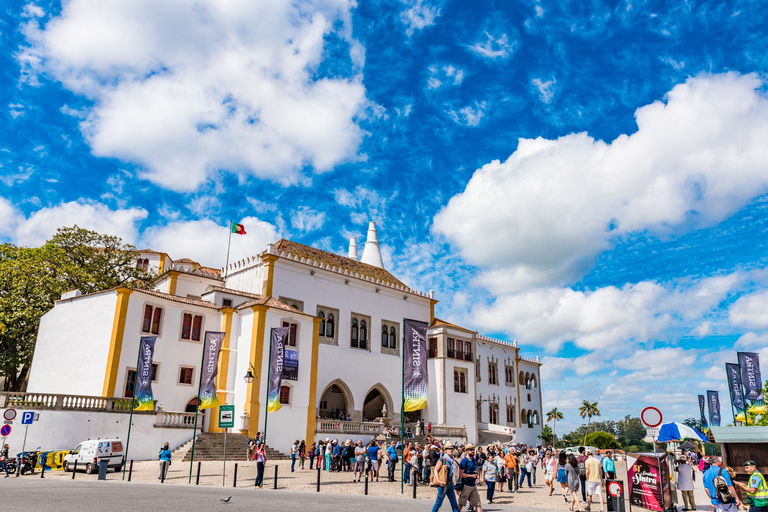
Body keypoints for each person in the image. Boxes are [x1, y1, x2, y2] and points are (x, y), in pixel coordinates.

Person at [432, 442, 460, 512]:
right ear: (445, 450)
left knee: (454, 504)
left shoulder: (451, 460)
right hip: (443, 484)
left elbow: (451, 473)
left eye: (451, 449)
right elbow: (435, 470)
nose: (451, 450)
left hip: (450, 484)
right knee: (438, 503)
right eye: (449, 449)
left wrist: (453, 481)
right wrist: (438, 481)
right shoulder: (442, 459)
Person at [458, 443, 483, 512]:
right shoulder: (464, 461)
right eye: (471, 450)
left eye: (473, 450)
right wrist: (471, 476)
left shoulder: (473, 460)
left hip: (473, 484)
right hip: (466, 485)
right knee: (461, 503)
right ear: (467, 451)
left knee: (478, 504)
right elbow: (461, 474)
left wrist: (476, 475)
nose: (473, 451)